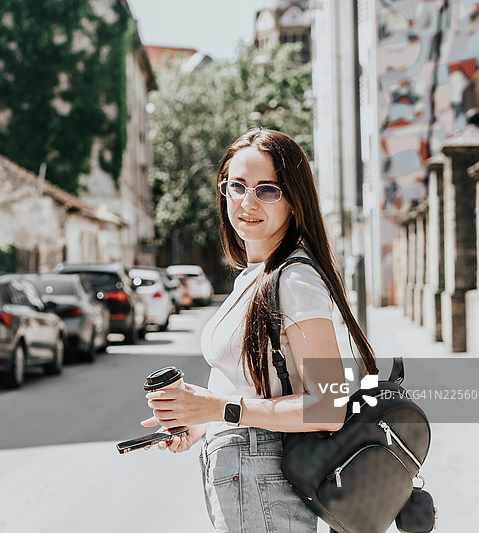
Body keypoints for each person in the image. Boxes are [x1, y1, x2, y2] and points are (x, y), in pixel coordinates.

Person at [141, 128, 378, 532]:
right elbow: (253, 390)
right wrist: (198, 422)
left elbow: (329, 406)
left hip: (263, 482)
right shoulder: (256, 276)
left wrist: (218, 409)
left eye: (267, 190)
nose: (247, 202)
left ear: (294, 201)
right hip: (245, 476)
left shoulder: (295, 279)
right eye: (237, 186)